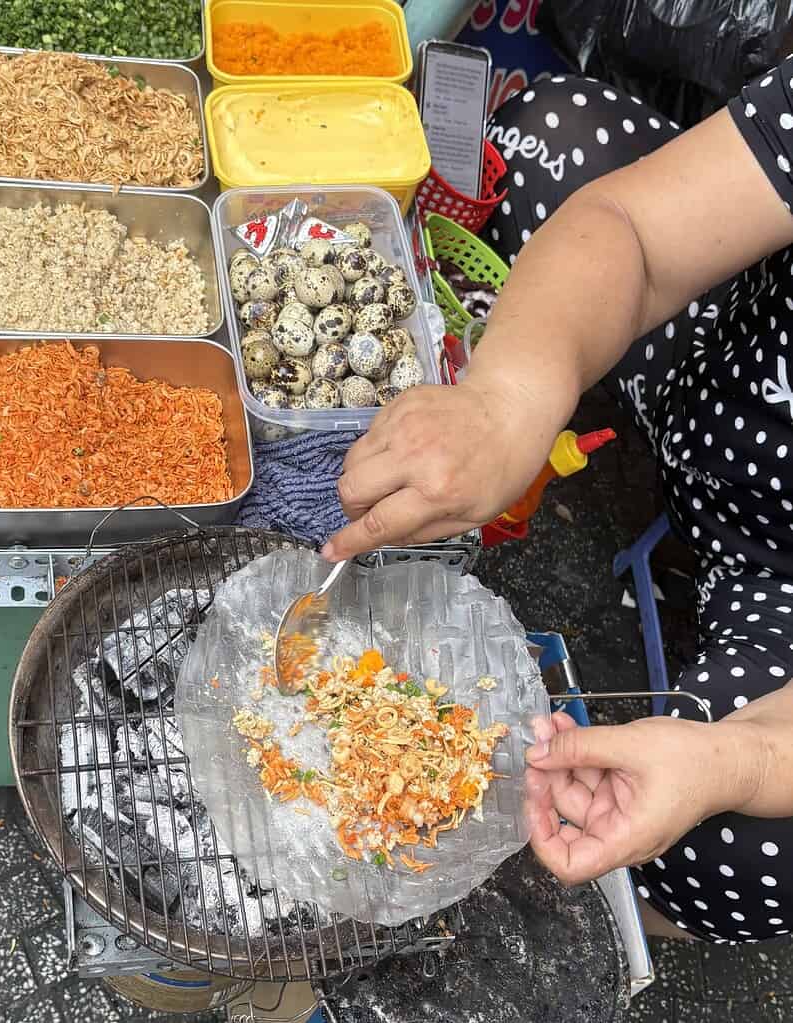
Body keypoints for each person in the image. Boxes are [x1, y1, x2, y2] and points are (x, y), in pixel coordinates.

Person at [323, 57, 793, 944]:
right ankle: (642, 459)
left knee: (735, 846)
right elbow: (636, 229)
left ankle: (625, 916)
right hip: (718, 383)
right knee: (548, 128)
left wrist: (740, 757)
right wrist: (508, 403)